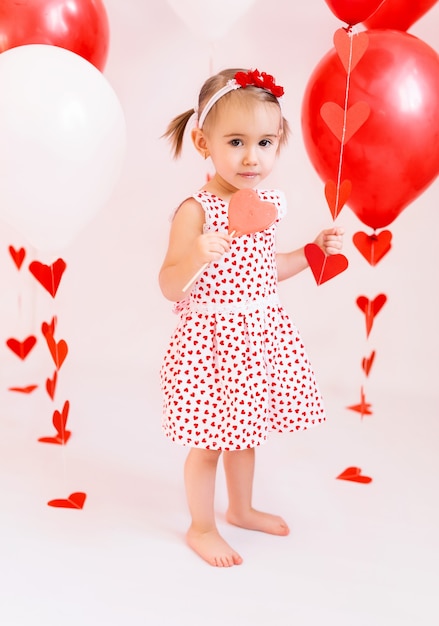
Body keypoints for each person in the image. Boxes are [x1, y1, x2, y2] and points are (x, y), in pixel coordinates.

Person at [159, 68, 344, 567]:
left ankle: (241, 507)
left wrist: (310, 252)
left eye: (264, 142)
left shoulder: (263, 206)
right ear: (203, 142)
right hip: (214, 344)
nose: (250, 157)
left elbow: (267, 269)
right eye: (236, 141)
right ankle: (201, 527)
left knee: (246, 435)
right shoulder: (196, 211)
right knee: (209, 444)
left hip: (259, 339)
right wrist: (197, 254)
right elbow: (169, 284)